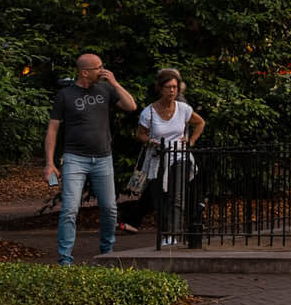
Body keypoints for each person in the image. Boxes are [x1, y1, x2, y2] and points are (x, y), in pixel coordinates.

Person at [44, 53, 136, 265]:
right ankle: (65, 259)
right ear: (84, 72)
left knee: (109, 208)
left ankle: (107, 252)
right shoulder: (65, 95)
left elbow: (131, 106)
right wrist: (49, 163)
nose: (103, 70)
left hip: (103, 158)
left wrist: (114, 82)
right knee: (70, 208)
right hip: (75, 159)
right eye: (99, 68)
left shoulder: (105, 89)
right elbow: (52, 129)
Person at [121, 68, 205, 244]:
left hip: (180, 157)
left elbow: (200, 122)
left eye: (175, 87)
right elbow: (140, 133)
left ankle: (173, 234)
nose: (172, 90)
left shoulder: (183, 108)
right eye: (168, 87)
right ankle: (166, 232)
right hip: (159, 159)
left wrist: (191, 140)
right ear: (160, 88)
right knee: (161, 197)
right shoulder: (149, 112)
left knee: (177, 196)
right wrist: (149, 141)